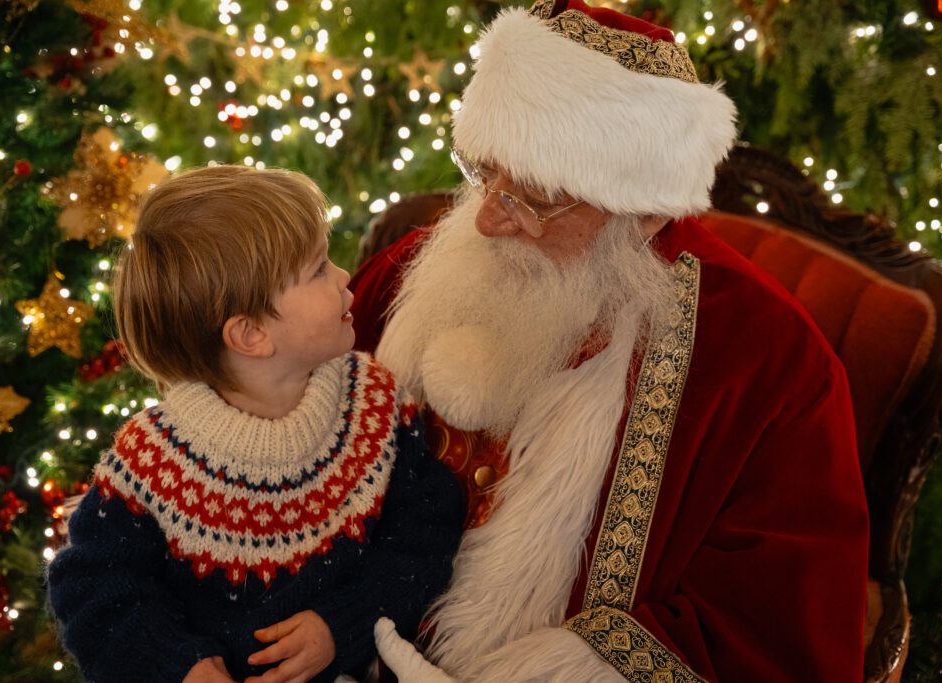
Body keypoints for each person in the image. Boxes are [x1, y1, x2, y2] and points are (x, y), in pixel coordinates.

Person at [350, 1, 870, 681]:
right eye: (485, 172)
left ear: (645, 212)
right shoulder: (409, 273)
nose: (485, 219)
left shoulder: (768, 366)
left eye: (533, 200)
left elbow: (770, 631)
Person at [46, 165, 464, 683]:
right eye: (316, 270)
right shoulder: (150, 462)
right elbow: (94, 592)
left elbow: (424, 534)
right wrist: (179, 665)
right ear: (250, 334)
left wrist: (342, 624)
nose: (341, 277)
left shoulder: (374, 403)